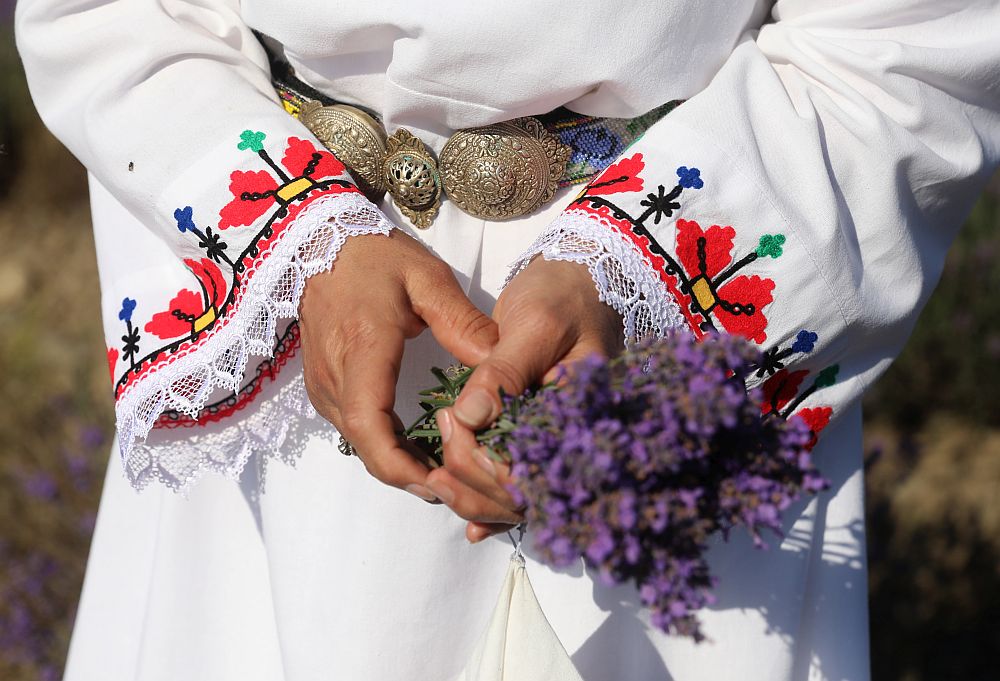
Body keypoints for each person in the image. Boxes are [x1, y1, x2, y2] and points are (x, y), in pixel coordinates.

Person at [15, 1, 1000, 679]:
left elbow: (910, 40)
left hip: (673, 316)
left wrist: (628, 277)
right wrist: (296, 241)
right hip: (301, 390)